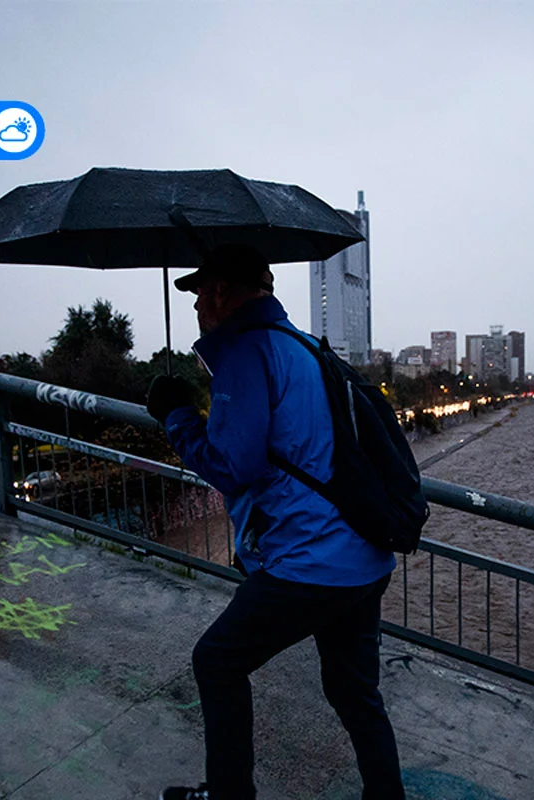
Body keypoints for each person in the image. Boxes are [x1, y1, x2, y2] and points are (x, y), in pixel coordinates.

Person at [146, 244, 405, 800]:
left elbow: (232, 466)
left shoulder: (245, 353)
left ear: (219, 294)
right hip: (364, 554)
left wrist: (177, 415)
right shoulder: (307, 346)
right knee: (354, 691)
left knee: (216, 661)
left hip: (309, 564)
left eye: (197, 299)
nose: (196, 310)